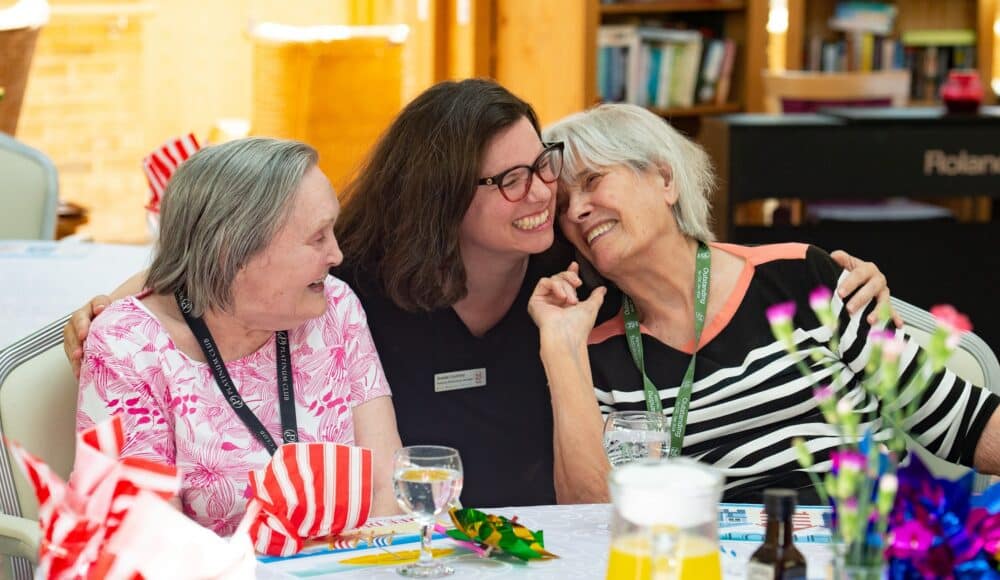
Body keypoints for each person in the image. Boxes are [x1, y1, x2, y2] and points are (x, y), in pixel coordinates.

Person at [66, 79, 894, 508]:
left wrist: (827, 268)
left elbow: (691, 257)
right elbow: (253, 254)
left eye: (544, 167)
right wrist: (129, 295)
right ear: (442, 197)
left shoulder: (571, 274)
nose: (542, 195)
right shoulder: (357, 287)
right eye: (508, 181)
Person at [528, 102, 1000, 503]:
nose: (576, 211)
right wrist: (560, 347)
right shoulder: (598, 349)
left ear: (664, 179)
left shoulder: (800, 277)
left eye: (592, 181)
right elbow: (589, 515)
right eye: (564, 203)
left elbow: (961, 422)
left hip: (860, 545)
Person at [76, 138, 401, 535]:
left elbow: (387, 483)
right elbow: (149, 535)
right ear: (235, 249)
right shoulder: (130, 344)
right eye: (318, 238)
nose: (336, 255)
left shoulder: (334, 308)